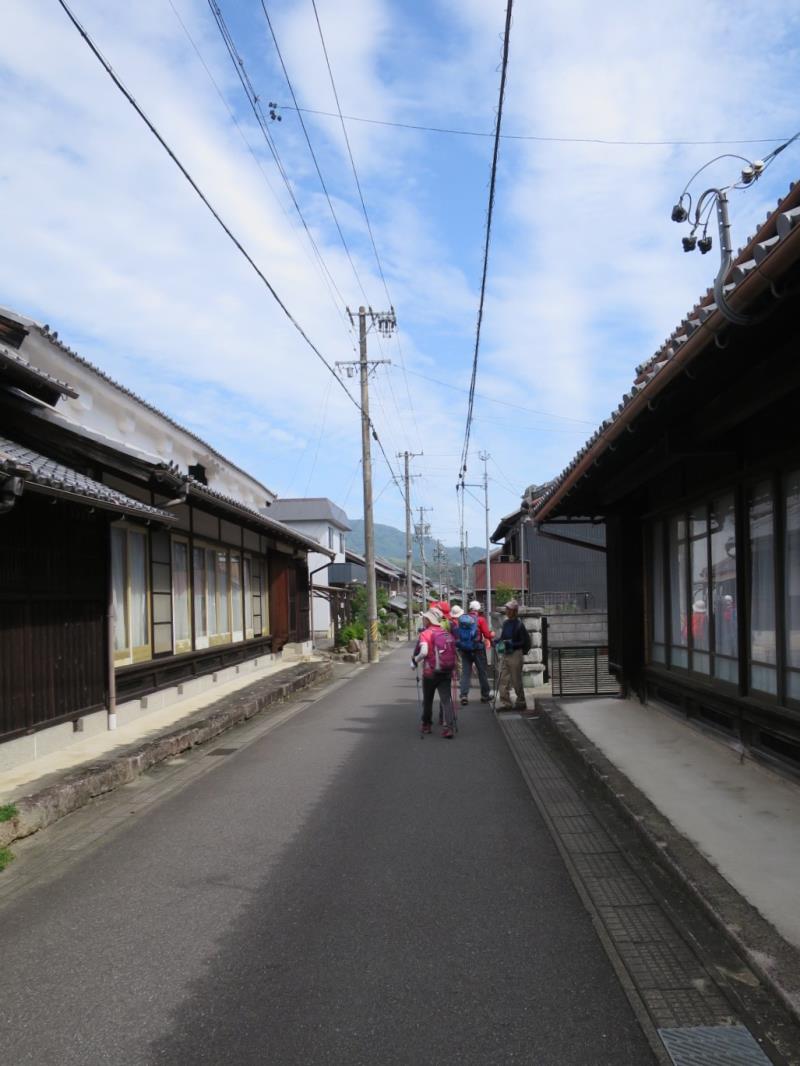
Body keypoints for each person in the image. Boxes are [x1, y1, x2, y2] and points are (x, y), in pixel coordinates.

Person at [412, 607, 457, 737]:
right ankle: (448, 728)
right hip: (446, 671)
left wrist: (416, 660)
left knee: (428, 700)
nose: (423, 620)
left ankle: (426, 725)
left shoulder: (426, 633)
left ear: (429, 620)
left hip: (430, 672)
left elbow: (424, 652)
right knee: (446, 700)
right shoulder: (446, 633)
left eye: (425, 618)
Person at [456, 600, 493, 705]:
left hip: (465, 649)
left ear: (470, 608)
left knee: (466, 673)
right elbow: (487, 635)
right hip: (478, 649)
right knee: (482, 672)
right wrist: (492, 635)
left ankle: (464, 695)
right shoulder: (480, 620)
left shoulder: (462, 619)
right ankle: (485, 695)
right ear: (478, 609)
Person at [496, 599, 530, 710]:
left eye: (509, 609)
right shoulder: (506, 623)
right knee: (502, 679)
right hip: (506, 653)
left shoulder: (519, 625)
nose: (506, 611)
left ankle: (521, 702)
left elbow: (523, 642)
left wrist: (511, 644)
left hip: (516, 654)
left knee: (516, 680)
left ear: (514, 611)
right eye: (506, 609)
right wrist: (497, 641)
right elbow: (502, 638)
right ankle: (506, 703)